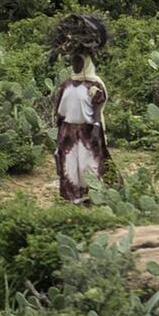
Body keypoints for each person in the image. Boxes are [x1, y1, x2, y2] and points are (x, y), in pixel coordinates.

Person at [50, 14, 114, 203]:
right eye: (74, 62)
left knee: (90, 166)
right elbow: (60, 113)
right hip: (68, 132)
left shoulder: (94, 85)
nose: (75, 65)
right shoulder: (66, 85)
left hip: (87, 132)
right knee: (70, 167)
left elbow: (97, 110)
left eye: (79, 62)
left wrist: (96, 130)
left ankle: (93, 198)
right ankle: (72, 199)